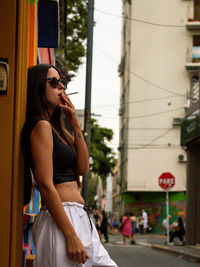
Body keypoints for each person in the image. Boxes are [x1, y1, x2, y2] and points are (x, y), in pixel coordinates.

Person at [22, 64, 118, 267]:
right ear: (38, 86)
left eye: (62, 84)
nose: (61, 89)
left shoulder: (58, 130)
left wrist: (75, 125)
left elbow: (82, 169)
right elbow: (46, 185)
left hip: (79, 216)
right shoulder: (41, 126)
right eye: (54, 83)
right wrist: (71, 236)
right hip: (61, 219)